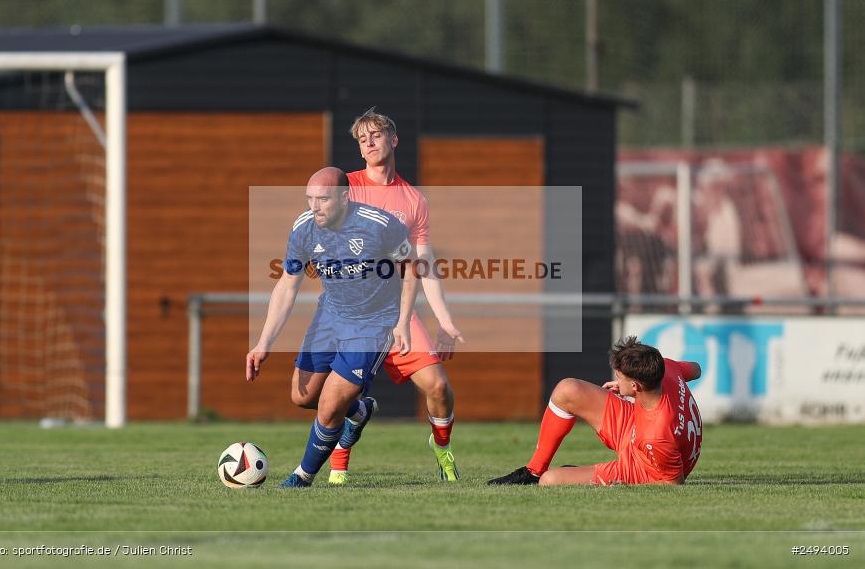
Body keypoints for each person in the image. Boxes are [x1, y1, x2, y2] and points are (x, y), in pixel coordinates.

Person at [246, 167, 416, 488]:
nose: (314, 206)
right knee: (303, 397)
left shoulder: (379, 226)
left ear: (343, 197)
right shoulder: (305, 228)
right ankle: (359, 410)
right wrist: (263, 342)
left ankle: (302, 477)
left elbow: (412, 269)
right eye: (309, 199)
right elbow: (287, 285)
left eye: (322, 199)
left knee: (328, 408)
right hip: (330, 315)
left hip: (373, 322)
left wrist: (403, 321)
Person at [326, 107, 465, 484]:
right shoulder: (347, 187)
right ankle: (339, 465)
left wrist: (446, 321)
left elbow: (424, 264)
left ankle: (442, 449)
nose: (368, 142)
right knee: (341, 395)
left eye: (375, 134)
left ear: (393, 139)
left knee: (438, 387)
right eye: (362, 138)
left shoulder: (414, 200)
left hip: (396, 312)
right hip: (353, 311)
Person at [488, 336, 702, 486]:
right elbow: (696, 369)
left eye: (620, 377)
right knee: (567, 389)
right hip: (638, 420)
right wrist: (628, 389)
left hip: (643, 468)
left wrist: (621, 486)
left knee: (550, 481)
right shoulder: (666, 368)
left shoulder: (657, 435)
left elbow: (673, 483)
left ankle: (562, 475)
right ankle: (534, 471)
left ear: (636, 386)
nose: (616, 379)